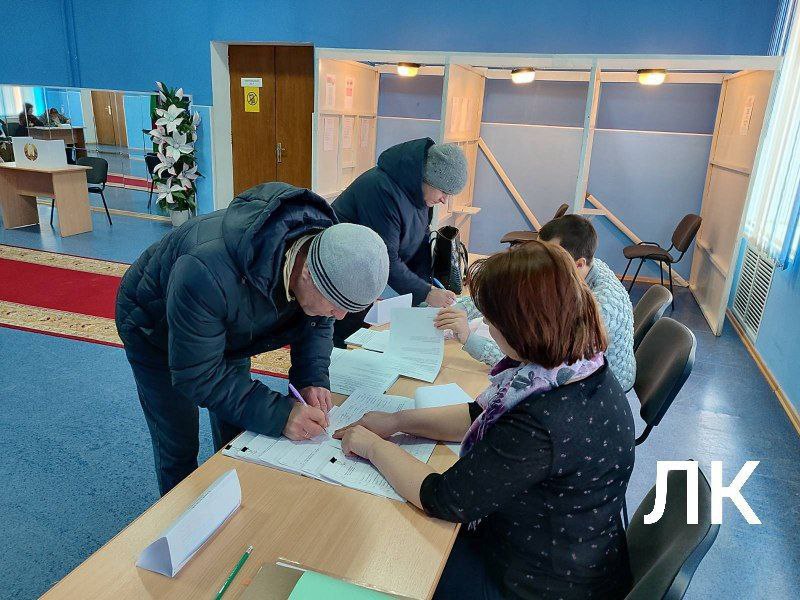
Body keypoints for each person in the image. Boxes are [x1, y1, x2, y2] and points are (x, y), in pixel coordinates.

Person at [335, 241, 635, 599]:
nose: (488, 327)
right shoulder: (574, 368)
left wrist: (371, 446)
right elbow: (478, 413)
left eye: (492, 321)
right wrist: (398, 420)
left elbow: (444, 498)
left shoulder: (543, 420)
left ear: (523, 329)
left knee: (391, 559)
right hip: (574, 552)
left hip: (540, 584)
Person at [115, 182, 389, 495]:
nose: (339, 317)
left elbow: (317, 321)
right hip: (152, 326)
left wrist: (311, 379)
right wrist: (281, 415)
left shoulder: (326, 255)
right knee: (177, 439)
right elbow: (197, 375)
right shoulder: (206, 271)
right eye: (335, 305)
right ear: (307, 275)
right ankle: (180, 513)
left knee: (238, 427)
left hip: (231, 321)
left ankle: (236, 497)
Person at [435, 214, 636, 390]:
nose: (540, 261)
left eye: (549, 256)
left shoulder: (599, 309)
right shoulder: (578, 267)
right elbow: (507, 292)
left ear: (579, 263)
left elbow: (536, 365)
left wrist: (469, 339)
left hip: (597, 387)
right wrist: (458, 309)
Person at [331, 138, 468, 345]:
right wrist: (426, 293)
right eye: (443, 192)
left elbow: (421, 243)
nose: (444, 200)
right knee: (344, 338)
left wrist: (426, 289)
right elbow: (385, 259)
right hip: (343, 272)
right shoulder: (381, 190)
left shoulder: (420, 194)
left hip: (367, 274)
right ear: (427, 178)